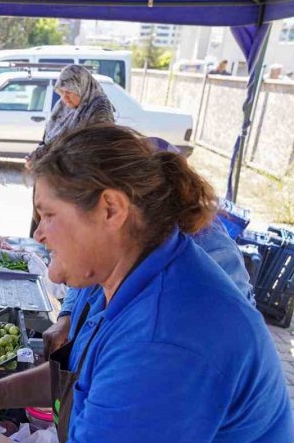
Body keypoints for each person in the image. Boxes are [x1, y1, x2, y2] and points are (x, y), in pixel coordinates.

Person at [0, 125, 294, 443]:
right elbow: (81, 368)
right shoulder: (118, 272)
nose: (38, 234)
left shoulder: (167, 336)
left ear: (110, 208)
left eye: (49, 215)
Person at [44, 136, 257, 355]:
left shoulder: (209, 254)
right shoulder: (121, 237)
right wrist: (68, 316)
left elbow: (220, 338)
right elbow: (89, 278)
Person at [26, 63, 115, 236]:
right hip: (51, 174)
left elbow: (93, 148)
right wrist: (37, 155)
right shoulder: (63, 106)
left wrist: (50, 157)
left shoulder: (99, 109)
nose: (64, 98)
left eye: (68, 93)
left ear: (81, 88)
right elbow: (48, 138)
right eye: (61, 93)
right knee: (42, 226)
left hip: (74, 182)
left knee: (61, 234)